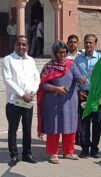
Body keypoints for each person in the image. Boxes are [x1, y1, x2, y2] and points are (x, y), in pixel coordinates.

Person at [37, 41, 86, 164]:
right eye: (60, 52)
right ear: (55, 52)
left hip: (69, 101)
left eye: (64, 52)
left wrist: (82, 79)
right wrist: (56, 89)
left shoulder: (71, 64)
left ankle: (68, 151)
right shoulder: (49, 66)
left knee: (69, 125)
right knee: (54, 126)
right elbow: (42, 84)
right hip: (53, 101)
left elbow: (78, 76)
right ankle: (53, 153)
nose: (62, 55)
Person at [2, 35, 40, 166]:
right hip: (14, 102)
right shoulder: (8, 59)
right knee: (13, 129)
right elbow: (8, 80)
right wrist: (22, 94)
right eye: (19, 44)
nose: (21, 47)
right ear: (15, 45)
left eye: (24, 44)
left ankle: (27, 153)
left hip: (28, 101)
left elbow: (37, 78)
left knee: (27, 128)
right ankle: (13, 155)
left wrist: (32, 92)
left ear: (28, 46)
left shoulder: (31, 60)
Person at [75, 34, 101, 158]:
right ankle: (84, 148)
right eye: (86, 42)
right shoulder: (78, 60)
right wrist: (79, 90)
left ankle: (94, 149)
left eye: (91, 42)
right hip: (84, 95)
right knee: (84, 123)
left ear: (95, 44)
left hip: (98, 95)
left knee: (97, 122)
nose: (88, 44)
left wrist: (99, 91)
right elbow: (75, 77)